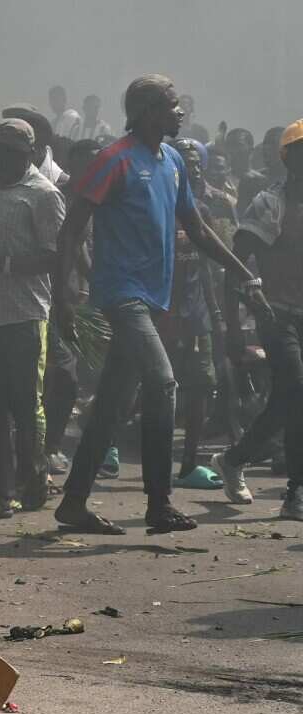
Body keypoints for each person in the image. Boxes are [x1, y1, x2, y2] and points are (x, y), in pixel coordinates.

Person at [51, 75, 268, 534]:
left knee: (111, 402)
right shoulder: (113, 159)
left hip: (153, 300)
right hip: (122, 295)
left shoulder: (172, 160)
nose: (180, 112)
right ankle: (159, 503)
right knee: (163, 383)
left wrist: (241, 271)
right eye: (171, 105)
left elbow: (200, 229)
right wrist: (63, 296)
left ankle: (73, 502)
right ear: (146, 110)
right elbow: (71, 229)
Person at [0, 119, 66, 516]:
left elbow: (55, 256)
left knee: (26, 404)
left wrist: (4, 263)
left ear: (12, 154)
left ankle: (33, 476)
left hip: (24, 315)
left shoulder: (44, 195)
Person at [213, 120, 303, 521]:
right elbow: (236, 261)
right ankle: (296, 493)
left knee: (288, 399)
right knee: (297, 391)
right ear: (289, 158)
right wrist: (233, 321)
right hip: (276, 313)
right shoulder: (271, 204)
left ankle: (235, 459)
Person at [162, 139, 226, 490]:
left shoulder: (201, 209)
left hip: (196, 313)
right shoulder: (154, 205)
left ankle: (188, 465)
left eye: (196, 163)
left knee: (201, 387)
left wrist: (214, 312)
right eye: (185, 163)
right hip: (159, 313)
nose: (193, 169)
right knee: (151, 388)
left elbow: (205, 264)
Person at [44, 139, 100, 475]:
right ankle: (47, 446)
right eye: (86, 164)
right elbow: (75, 249)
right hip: (52, 298)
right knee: (62, 374)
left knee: (73, 375)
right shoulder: (57, 198)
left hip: (81, 298)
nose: (92, 170)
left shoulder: (104, 197)